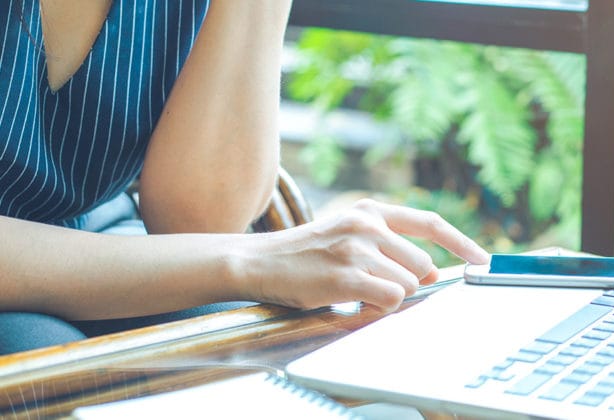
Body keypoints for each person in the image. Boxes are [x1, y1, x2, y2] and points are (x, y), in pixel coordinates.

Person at [0, 0, 489, 355]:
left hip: (97, 233)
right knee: (45, 356)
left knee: (272, 348)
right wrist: (256, 261)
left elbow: (197, 220)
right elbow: (220, 249)